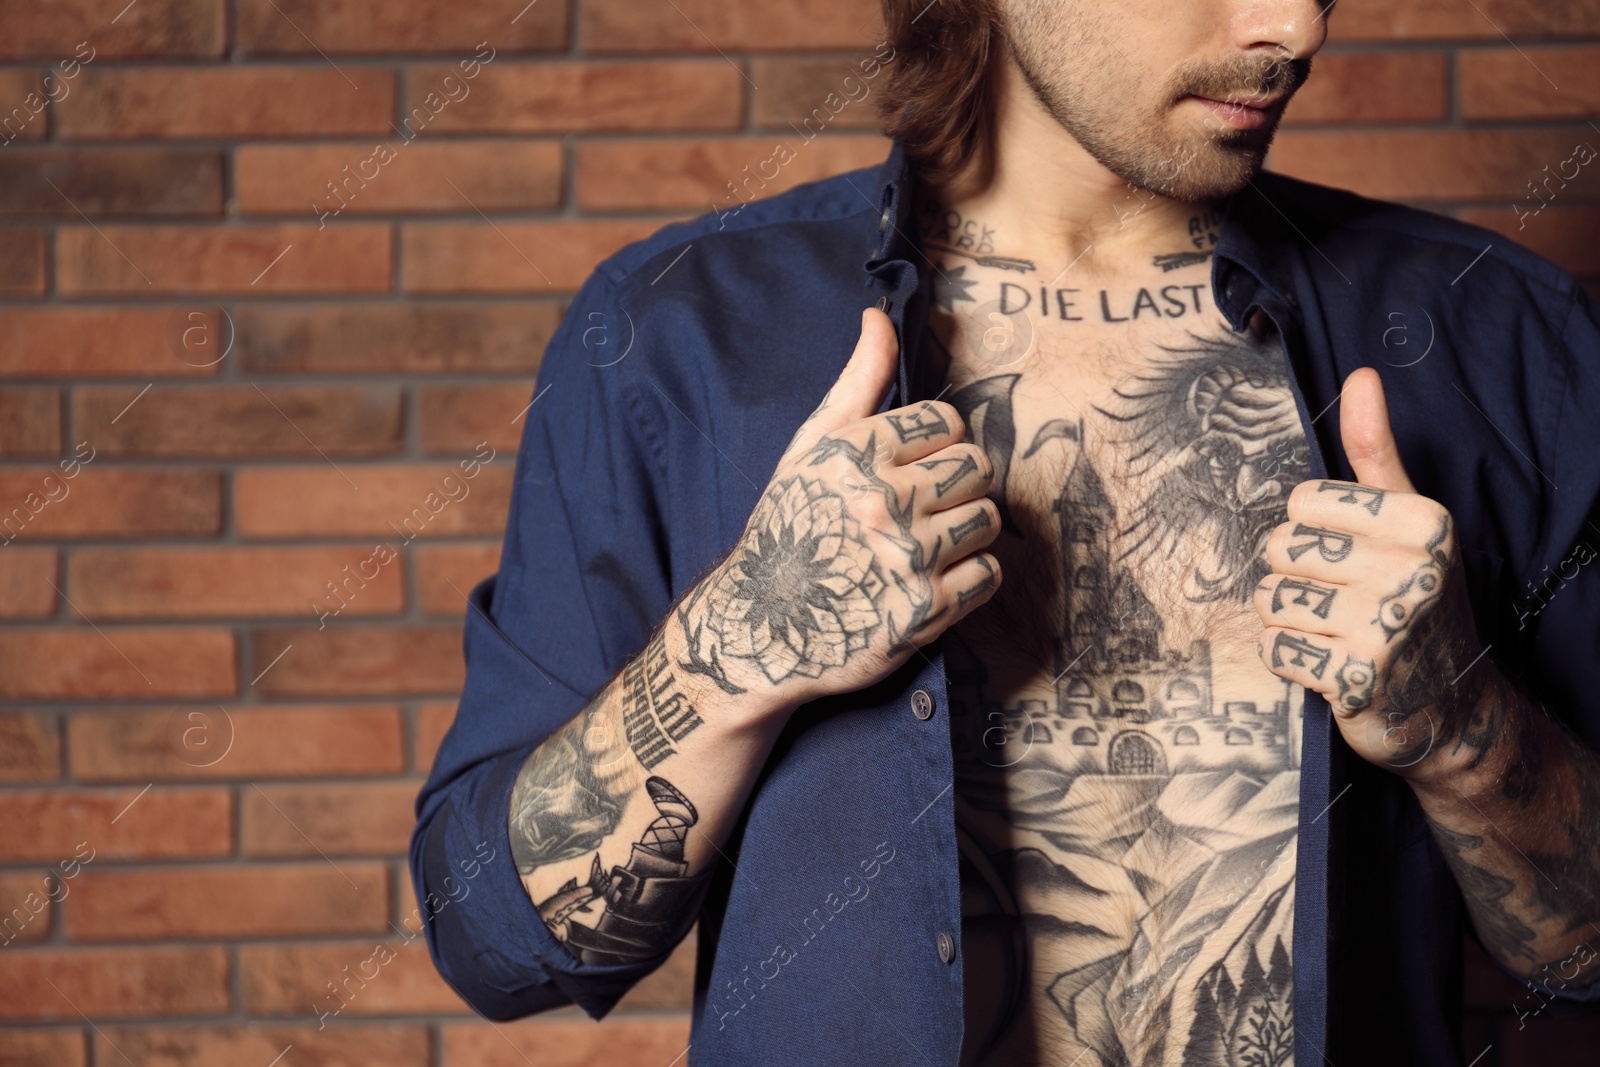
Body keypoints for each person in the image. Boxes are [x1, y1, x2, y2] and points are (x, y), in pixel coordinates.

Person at [410, 0, 1600, 1062]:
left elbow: (1586, 955)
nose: (1296, 28)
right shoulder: (678, 340)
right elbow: (498, 937)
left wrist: (1464, 728)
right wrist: (735, 649)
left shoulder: (1499, 339)